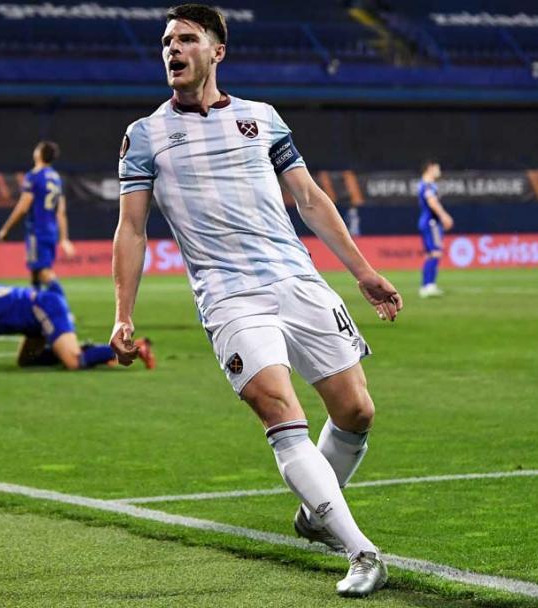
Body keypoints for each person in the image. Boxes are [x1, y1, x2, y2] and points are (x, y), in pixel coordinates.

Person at [110, 4, 402, 598]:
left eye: (186, 39)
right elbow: (132, 230)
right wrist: (123, 313)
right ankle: (361, 551)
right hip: (229, 297)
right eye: (166, 41)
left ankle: (315, 511)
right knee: (281, 412)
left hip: (298, 281)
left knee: (356, 412)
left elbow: (311, 200)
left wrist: (363, 272)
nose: (172, 49)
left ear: (217, 51)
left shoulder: (261, 119)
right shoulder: (144, 136)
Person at [0, 281, 154, 372]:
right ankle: (92, 352)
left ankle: (135, 347)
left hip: (43, 309)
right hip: (36, 314)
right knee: (26, 360)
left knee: (74, 362)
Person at [0, 141, 76, 289]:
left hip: (37, 231)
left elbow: (23, 207)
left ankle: (61, 305)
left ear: (39, 154)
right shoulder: (56, 178)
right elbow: (61, 211)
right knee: (35, 271)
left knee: (42, 271)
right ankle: (35, 306)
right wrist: (64, 238)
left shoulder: (33, 176)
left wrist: (6, 229)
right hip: (51, 231)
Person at [417, 161, 453, 297]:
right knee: (436, 253)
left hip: (425, 221)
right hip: (431, 222)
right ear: (430, 168)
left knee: (430, 255)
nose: (439, 171)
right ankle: (429, 285)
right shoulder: (428, 185)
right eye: (438, 168)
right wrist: (444, 216)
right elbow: (432, 202)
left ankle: (426, 286)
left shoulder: (422, 183)